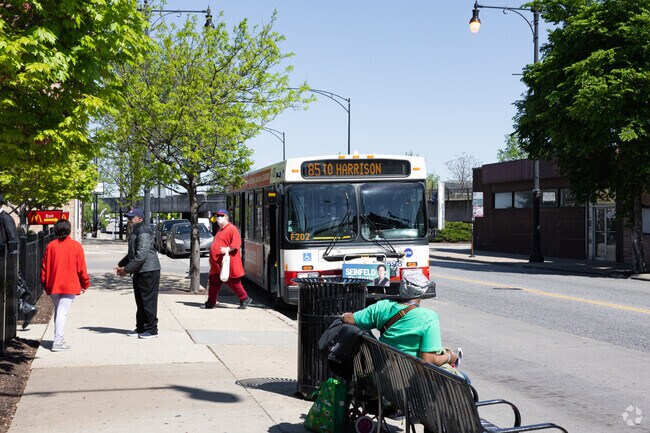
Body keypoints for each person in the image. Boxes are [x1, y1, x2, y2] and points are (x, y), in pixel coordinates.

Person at [342, 272, 458, 368]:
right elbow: (429, 360)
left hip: (385, 374)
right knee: (464, 379)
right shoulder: (428, 317)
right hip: (413, 378)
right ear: (423, 291)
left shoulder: (381, 307)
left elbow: (349, 319)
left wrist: (344, 315)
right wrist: (449, 356)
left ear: (401, 287)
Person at [41, 219, 90, 351]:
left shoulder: (50, 246)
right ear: (69, 230)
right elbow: (81, 268)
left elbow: (44, 268)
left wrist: (46, 285)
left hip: (54, 284)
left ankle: (58, 338)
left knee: (59, 310)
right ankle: (58, 341)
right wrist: (85, 283)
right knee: (62, 312)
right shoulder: (75, 246)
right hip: (69, 284)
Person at [116, 208, 161, 339]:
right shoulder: (136, 230)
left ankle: (152, 330)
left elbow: (141, 255)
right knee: (140, 301)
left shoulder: (144, 231)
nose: (129, 220)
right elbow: (133, 252)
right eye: (128, 218)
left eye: (132, 218)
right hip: (140, 271)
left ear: (140, 219)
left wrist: (126, 269)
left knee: (148, 301)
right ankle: (141, 328)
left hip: (148, 271)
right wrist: (121, 264)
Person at [203, 209, 252, 309]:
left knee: (233, 282)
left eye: (221, 216)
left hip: (226, 263)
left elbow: (236, 244)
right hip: (217, 264)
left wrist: (227, 249)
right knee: (213, 281)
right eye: (217, 216)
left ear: (226, 217)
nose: (218, 218)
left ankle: (244, 298)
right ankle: (211, 302)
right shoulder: (220, 229)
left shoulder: (232, 229)